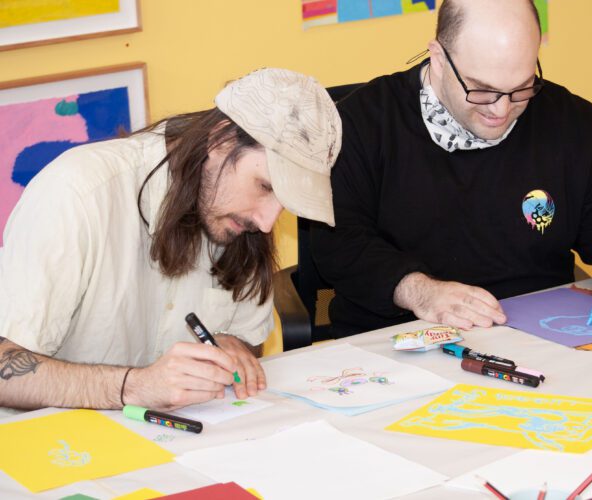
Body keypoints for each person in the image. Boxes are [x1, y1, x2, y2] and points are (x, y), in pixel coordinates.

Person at [311, 0, 592, 335]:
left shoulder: (571, 121)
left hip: (540, 338)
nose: (501, 110)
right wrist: (421, 293)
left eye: (522, 88)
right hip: (399, 341)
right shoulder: (361, 124)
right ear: (438, 58)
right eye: (482, 91)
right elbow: (339, 245)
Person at [0, 68, 341, 413]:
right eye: (265, 187)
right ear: (220, 140)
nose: (267, 223)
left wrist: (231, 349)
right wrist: (133, 387)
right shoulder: (77, 194)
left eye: (284, 204)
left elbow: (247, 340)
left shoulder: (241, 222)